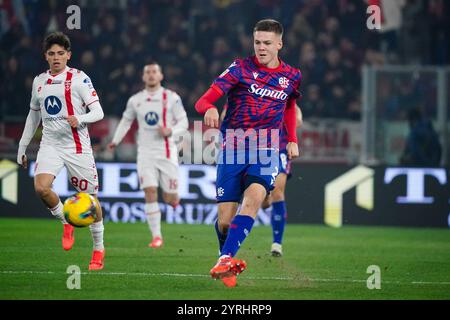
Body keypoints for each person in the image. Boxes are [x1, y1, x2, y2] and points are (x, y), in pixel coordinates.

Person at [195, 19, 301, 287]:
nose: (261, 48)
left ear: (279, 44)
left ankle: (225, 259)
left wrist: (291, 139)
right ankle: (225, 261)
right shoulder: (240, 68)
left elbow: (289, 106)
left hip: (266, 147)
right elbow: (203, 100)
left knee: (254, 200)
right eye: (257, 42)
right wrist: (208, 107)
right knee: (224, 223)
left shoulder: (291, 75)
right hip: (233, 147)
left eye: (267, 43)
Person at [16, 32, 106, 270]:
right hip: (50, 144)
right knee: (41, 188)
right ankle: (66, 220)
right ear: (45, 56)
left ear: (68, 55)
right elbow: (33, 114)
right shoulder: (39, 81)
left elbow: (99, 112)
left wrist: (80, 118)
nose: (56, 58)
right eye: (51, 54)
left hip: (77, 147)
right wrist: (23, 146)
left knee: (91, 202)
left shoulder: (79, 79)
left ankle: (98, 249)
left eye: (60, 53)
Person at [108, 63, 188, 248]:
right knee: (149, 191)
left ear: (161, 76)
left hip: (167, 151)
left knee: (170, 199)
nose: (151, 75)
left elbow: (183, 121)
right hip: (145, 153)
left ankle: (174, 200)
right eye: (147, 72)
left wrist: (171, 131)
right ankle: (157, 237)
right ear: (143, 77)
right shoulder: (135, 100)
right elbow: (126, 121)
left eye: (154, 72)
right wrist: (115, 140)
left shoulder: (171, 97)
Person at [221, 105, 303, 257]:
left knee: (278, 192)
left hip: (280, 148)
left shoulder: (281, 92)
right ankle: (226, 247)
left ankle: (277, 243)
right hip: (252, 148)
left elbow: (297, 118)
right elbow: (224, 116)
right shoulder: (245, 93)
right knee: (264, 201)